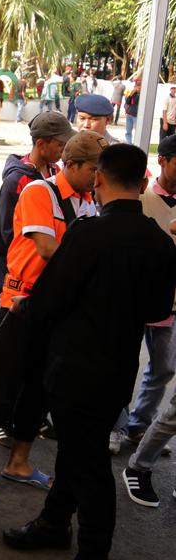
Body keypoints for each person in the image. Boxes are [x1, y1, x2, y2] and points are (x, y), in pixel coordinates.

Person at [3, 144, 176, 560]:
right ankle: (55, 522)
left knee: (90, 463)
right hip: (118, 367)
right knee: (80, 449)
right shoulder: (159, 241)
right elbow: (160, 308)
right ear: (141, 184)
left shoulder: (86, 234)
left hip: (76, 364)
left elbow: (51, 299)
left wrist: (26, 309)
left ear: (98, 179)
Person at [0, 131, 104, 500]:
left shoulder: (91, 201)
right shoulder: (39, 191)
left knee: (39, 393)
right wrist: (94, 273)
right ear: (71, 165)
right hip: (20, 308)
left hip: (59, 315)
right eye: (92, 169)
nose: (97, 177)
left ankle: (19, 462)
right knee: (2, 388)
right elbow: (47, 249)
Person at [119, 136, 176, 503]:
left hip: (170, 305)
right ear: (165, 161)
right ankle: (117, 425)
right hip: (135, 300)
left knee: (163, 369)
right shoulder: (141, 201)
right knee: (122, 364)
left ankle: (139, 426)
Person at [0, 112, 76, 298]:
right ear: (40, 144)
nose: (64, 149)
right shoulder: (17, 181)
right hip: (21, 277)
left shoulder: (56, 171)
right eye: (60, 144)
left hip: (49, 272)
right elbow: (7, 234)